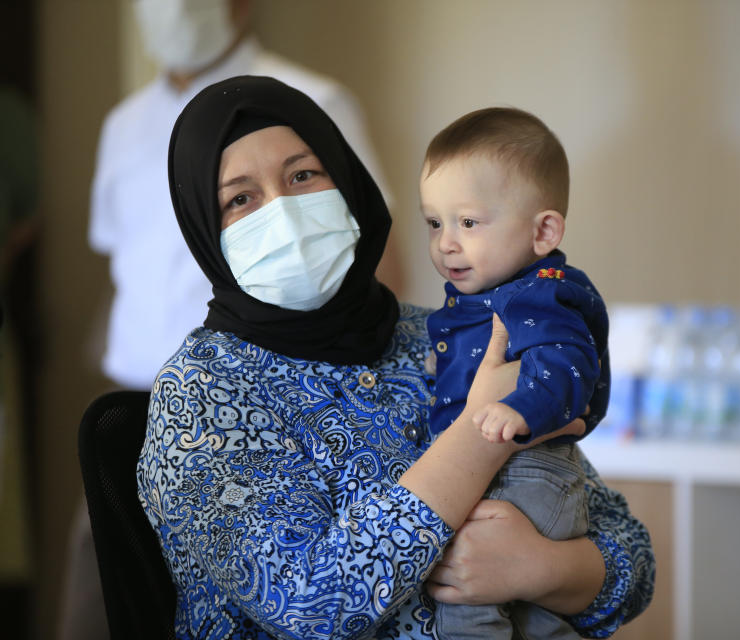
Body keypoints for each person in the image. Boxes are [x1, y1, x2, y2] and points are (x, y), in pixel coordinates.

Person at [136, 75, 654, 639]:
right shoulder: (201, 393)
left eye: (303, 174)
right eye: (241, 199)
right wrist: (478, 436)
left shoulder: (435, 335)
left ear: (348, 180)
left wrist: (543, 568)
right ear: (206, 231)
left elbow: (630, 555)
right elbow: (310, 602)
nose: (282, 212)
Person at [89, 0, 400, 391]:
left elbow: (378, 254)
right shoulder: (122, 124)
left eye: (301, 175)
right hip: (138, 376)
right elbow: (125, 260)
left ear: (240, 5)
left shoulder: (313, 100)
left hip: (272, 382)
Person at [420, 107, 610, 639]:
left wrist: (516, 409)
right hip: (525, 476)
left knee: (463, 599)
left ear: (543, 230)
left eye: (468, 222)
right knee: (536, 618)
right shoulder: (494, 296)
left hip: (525, 474)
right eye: (434, 223)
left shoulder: (536, 296)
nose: (445, 243)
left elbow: (569, 363)